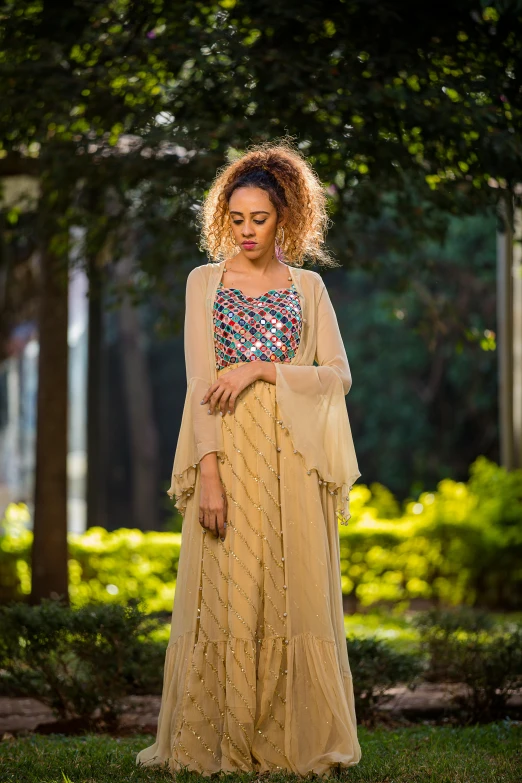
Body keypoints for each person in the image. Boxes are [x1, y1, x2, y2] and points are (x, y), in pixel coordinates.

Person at [136, 140, 362, 777]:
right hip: (229, 455)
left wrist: (261, 369)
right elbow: (198, 383)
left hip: (292, 458)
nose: (247, 231)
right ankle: (223, 737)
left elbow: (338, 375)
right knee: (231, 591)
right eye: (235, 219)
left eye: (259, 219)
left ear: (285, 217)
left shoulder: (309, 287)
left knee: (292, 595)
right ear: (222, 218)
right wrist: (208, 472)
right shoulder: (204, 283)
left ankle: (295, 740)